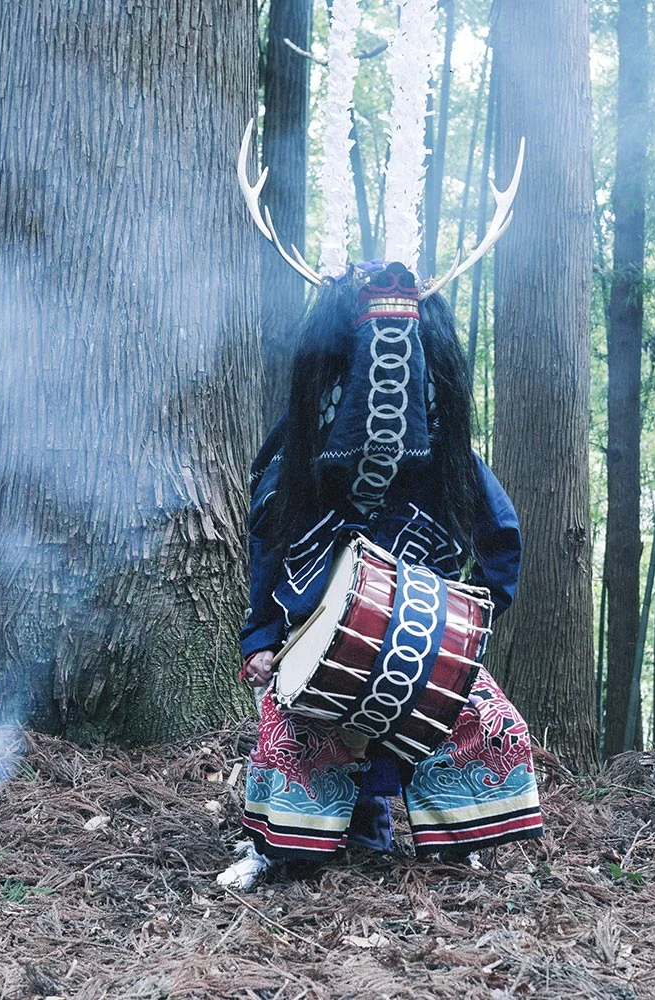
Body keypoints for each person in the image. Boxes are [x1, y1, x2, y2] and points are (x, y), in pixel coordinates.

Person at [219, 262, 542, 889]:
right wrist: (261, 639)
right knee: (299, 725)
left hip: (426, 638)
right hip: (312, 634)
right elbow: (269, 541)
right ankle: (301, 841)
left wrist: (467, 620)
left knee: (485, 720)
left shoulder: (449, 457)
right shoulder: (301, 453)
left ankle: (458, 840)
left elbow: (501, 535)